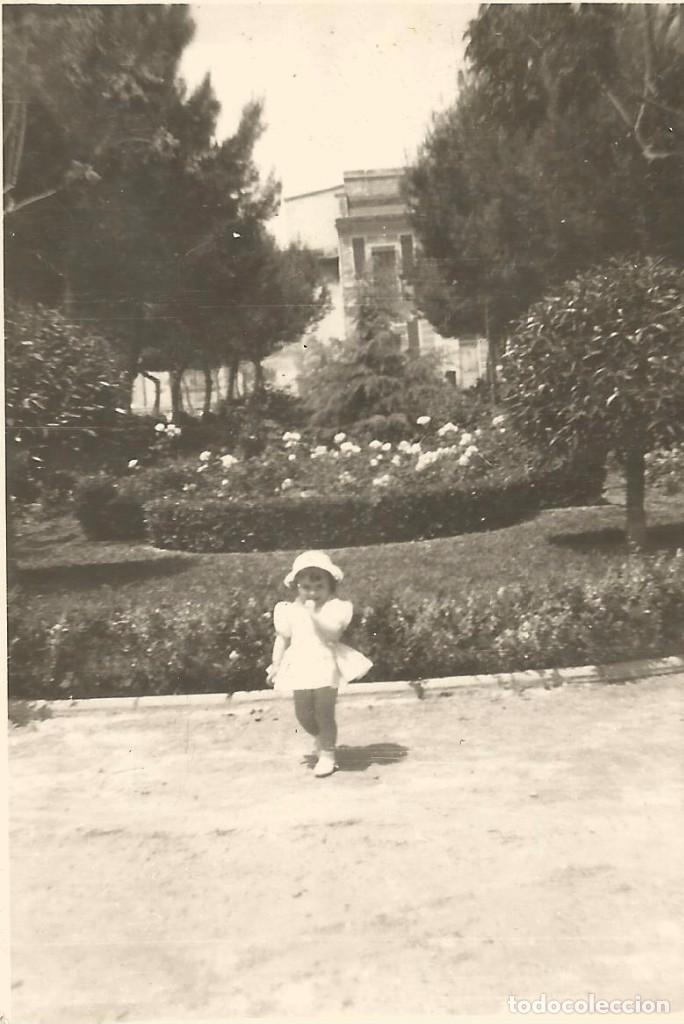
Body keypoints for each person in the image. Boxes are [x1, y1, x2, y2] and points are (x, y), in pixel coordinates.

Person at [266, 550, 372, 777]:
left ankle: (327, 754)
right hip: (300, 664)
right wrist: (276, 664)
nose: (312, 593)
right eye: (306, 587)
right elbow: (282, 638)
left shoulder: (336, 607)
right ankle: (322, 738)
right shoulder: (289, 610)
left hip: (325, 662)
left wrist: (314, 615)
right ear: (297, 587)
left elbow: (333, 633)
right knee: (303, 714)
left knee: (324, 712)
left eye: (319, 587)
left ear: (330, 587)